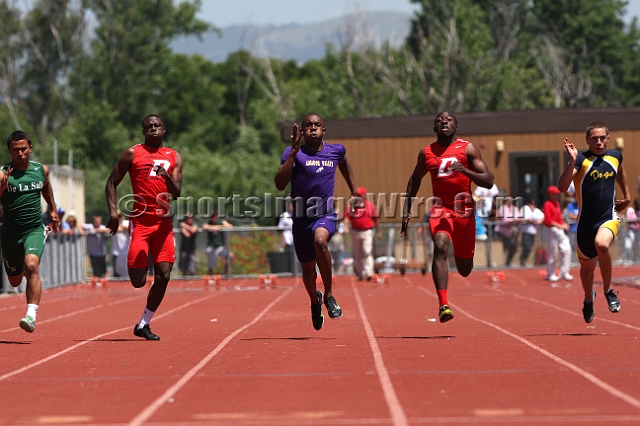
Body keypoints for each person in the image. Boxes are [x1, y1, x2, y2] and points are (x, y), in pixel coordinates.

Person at [401, 111, 494, 323]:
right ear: (434, 128)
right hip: (440, 208)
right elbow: (415, 179)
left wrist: (465, 170)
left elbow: (488, 181)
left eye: (449, 120)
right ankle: (443, 304)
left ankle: (462, 259)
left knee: (465, 269)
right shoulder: (426, 153)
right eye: (439, 120)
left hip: (465, 212)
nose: (444, 121)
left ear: (456, 127)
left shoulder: (468, 149)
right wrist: (406, 209)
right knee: (440, 245)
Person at [275, 113, 358, 330]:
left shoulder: (335, 151)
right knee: (308, 270)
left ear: (324, 130)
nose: (313, 128)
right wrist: (293, 152)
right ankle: (315, 300)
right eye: (308, 125)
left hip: (325, 214)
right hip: (301, 219)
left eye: (317, 125)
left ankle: (329, 295)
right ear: (302, 131)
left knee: (321, 241)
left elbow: (344, 163)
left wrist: (353, 190)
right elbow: (279, 183)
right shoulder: (294, 153)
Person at [105, 114, 183, 340]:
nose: (153, 129)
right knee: (138, 281)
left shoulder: (174, 156)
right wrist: (113, 212)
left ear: (164, 129)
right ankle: (141, 262)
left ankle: (143, 323)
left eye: (157, 125)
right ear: (143, 131)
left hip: (163, 224)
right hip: (140, 222)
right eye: (148, 127)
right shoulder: (132, 153)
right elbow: (111, 183)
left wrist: (166, 176)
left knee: (164, 275)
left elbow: (176, 193)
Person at [558, 122, 630, 323]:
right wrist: (571, 162)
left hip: (608, 216)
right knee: (587, 269)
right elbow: (562, 187)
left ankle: (608, 290)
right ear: (587, 140)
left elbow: (621, 172)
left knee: (602, 245)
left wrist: (627, 196)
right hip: (585, 223)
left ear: (608, 138)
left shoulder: (615, 157)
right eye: (594, 138)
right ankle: (589, 298)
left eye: (602, 138)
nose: (599, 142)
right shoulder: (581, 160)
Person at [0, 130, 61, 332]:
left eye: (24, 149)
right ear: (9, 150)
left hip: (34, 229)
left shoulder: (41, 170)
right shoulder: (2, 173)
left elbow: (46, 187)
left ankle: (31, 315)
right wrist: (2, 188)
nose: (20, 153)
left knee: (32, 265)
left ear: (30, 148)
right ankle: (22, 273)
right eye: (16, 150)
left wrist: (52, 209)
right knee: (15, 279)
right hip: (9, 233)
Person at [348, 186, 381, 281]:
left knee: (367, 251)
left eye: (360, 195)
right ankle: (360, 273)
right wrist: (346, 226)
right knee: (357, 254)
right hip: (355, 231)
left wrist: (379, 231)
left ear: (364, 196)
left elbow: (376, 219)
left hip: (367, 231)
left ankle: (369, 272)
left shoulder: (370, 206)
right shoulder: (352, 207)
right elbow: (347, 217)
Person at [542, 186, 573, 283]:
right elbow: (548, 220)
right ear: (550, 194)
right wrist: (561, 225)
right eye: (554, 194)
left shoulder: (557, 204)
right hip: (551, 230)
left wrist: (563, 224)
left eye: (557, 194)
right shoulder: (547, 204)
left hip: (559, 229)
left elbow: (559, 217)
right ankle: (550, 274)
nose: (556, 196)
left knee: (567, 249)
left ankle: (564, 272)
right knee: (553, 253)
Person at [202, 210, 234, 276]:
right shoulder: (208, 222)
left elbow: (230, 226)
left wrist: (219, 227)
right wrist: (213, 227)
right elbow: (204, 226)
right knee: (212, 264)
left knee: (230, 256)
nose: (214, 218)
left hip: (220, 247)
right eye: (212, 216)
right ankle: (210, 272)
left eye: (215, 216)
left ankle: (225, 272)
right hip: (211, 247)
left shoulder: (221, 221)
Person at [493, 196, 521, 267]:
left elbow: (519, 218)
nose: (510, 202)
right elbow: (505, 220)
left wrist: (515, 220)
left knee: (514, 247)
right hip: (501, 232)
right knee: (503, 248)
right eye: (508, 201)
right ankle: (500, 263)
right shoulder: (502, 208)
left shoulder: (514, 208)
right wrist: (513, 220)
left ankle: (508, 262)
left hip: (511, 233)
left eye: (511, 201)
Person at [518, 198, 544, 266]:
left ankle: (524, 260)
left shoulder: (536, 210)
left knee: (530, 248)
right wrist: (534, 222)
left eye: (535, 204)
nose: (533, 205)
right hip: (525, 232)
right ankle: (522, 259)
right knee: (527, 247)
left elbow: (543, 217)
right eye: (531, 204)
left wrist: (539, 221)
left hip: (533, 233)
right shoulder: (525, 208)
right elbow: (526, 218)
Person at [111, 211, 130, 278]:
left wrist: (122, 227)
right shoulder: (112, 223)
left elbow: (129, 228)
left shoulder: (127, 222)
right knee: (116, 272)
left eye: (120, 216)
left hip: (127, 251)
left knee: (127, 270)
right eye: (118, 217)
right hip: (117, 251)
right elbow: (113, 229)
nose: (119, 218)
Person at [564, 187, 579, 262]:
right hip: (572, 229)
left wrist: (576, 216)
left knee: (581, 247)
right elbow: (571, 216)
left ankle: (580, 262)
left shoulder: (582, 204)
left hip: (581, 230)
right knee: (572, 246)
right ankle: (572, 262)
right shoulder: (571, 205)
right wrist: (579, 216)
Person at [623, 198, 640, 264]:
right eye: (638, 204)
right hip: (631, 229)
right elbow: (628, 220)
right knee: (628, 245)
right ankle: (628, 259)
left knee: (636, 245)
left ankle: (635, 259)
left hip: (638, 229)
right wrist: (636, 220)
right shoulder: (630, 210)